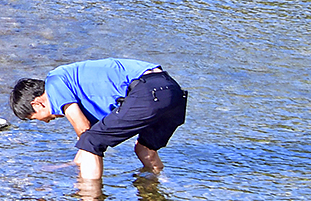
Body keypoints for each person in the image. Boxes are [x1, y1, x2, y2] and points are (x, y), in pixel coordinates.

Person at [11, 60, 188, 185]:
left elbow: (84, 130)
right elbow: (90, 135)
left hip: (148, 90)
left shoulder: (54, 82)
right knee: (144, 148)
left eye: (36, 118)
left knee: (92, 141)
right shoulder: (79, 88)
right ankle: (159, 184)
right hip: (172, 92)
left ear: (37, 103)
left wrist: (79, 181)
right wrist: (73, 164)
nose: (47, 122)